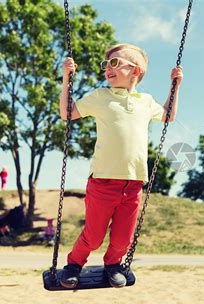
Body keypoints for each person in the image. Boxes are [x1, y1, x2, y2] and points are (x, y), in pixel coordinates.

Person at [59, 43, 183, 289]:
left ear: (135, 70)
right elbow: (67, 113)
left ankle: (114, 264)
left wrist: (175, 85)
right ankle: (74, 264)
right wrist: (66, 77)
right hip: (103, 181)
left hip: (134, 183)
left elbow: (168, 115)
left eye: (114, 63)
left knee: (122, 238)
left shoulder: (145, 102)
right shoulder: (100, 97)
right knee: (93, 237)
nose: (107, 69)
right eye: (106, 64)